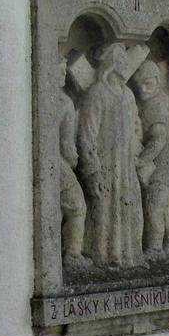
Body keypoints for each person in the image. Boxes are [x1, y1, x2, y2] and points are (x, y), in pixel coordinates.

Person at [77, 43, 144, 268]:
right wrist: (92, 171)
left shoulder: (128, 95)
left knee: (130, 208)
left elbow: (136, 126)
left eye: (126, 60)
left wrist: (136, 150)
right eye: (121, 60)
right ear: (112, 64)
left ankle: (128, 255)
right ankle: (104, 256)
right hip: (105, 163)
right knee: (105, 209)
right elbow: (87, 134)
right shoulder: (97, 93)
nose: (126, 64)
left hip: (126, 165)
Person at [131, 60, 169, 259]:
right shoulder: (157, 100)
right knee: (167, 204)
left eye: (148, 84)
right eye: (139, 85)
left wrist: (141, 160)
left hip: (166, 160)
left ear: (157, 81)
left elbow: (158, 140)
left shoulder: (157, 104)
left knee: (155, 202)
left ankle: (155, 247)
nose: (143, 89)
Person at [57, 57, 89, 268]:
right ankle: (73, 253)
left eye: (64, 71)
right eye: (60, 71)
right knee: (77, 206)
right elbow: (67, 146)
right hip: (57, 163)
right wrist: (75, 160)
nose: (63, 75)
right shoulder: (64, 102)